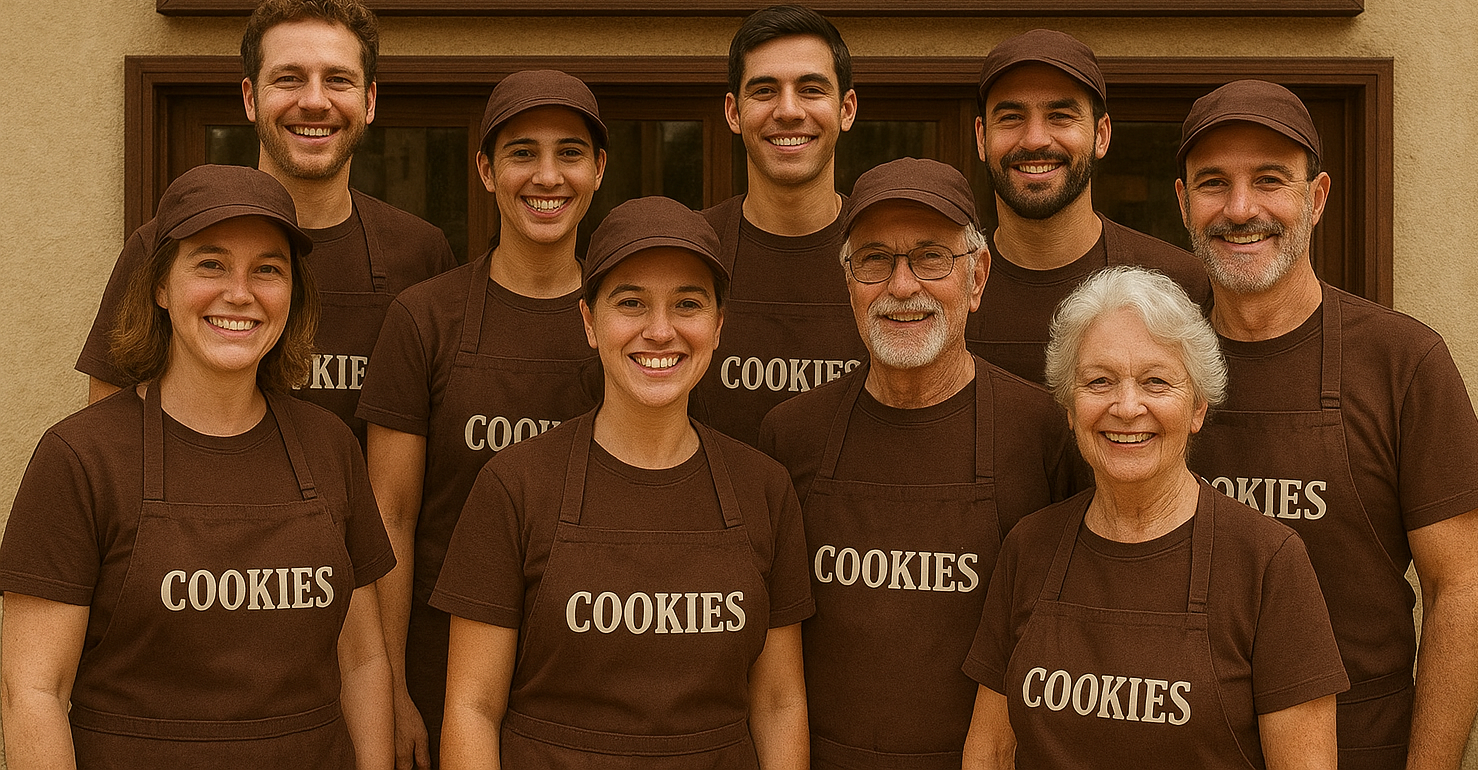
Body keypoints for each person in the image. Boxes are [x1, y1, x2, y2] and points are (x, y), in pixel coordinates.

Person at [0, 164, 395, 768]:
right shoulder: (80, 459)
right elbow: (32, 693)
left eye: (268, 269)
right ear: (159, 285)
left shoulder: (330, 445)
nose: (240, 294)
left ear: (293, 293)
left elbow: (363, 659)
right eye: (210, 264)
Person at [1174, 80, 1478, 770]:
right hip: (1187, 743)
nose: (1240, 209)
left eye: (1269, 181)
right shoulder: (1153, 356)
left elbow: (1464, 588)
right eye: (1214, 184)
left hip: (1359, 744)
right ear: (1183, 203)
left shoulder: (1402, 360)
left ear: (1316, 198)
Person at [431, 196, 814, 768]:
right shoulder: (513, 487)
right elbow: (470, 708)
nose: (660, 331)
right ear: (588, 322)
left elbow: (780, 704)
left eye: (687, 304)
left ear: (718, 326)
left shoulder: (764, 487)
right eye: (630, 303)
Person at [760, 157, 1079, 769]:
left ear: (978, 276)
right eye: (875, 261)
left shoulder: (1044, 432)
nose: (902, 287)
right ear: (847, 281)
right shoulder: (792, 435)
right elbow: (775, 676)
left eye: (932, 258)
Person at [962, 265, 1349, 770]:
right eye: (1099, 381)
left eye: (1156, 382)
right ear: (1069, 405)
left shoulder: (1267, 562)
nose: (1126, 407)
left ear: (1198, 408)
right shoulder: (1029, 548)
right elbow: (989, 752)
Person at [76, 0, 457, 444]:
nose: (314, 101)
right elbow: (104, 436)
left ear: (370, 101)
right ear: (251, 99)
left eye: (338, 79)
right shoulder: (168, 243)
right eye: (288, 78)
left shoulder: (420, 253)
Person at [354, 70, 606, 768]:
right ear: (487, 170)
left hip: (589, 664)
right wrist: (395, 688)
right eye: (522, 152)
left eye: (570, 152)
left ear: (598, 170)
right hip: (442, 660)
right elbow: (391, 514)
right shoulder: (426, 318)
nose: (547, 175)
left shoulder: (631, 326)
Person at [968, 29, 1209, 384]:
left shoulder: (1180, 284)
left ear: (1101, 135)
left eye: (1061, 116)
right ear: (981, 137)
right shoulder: (948, 289)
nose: (1035, 138)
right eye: (1011, 117)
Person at [693, 5, 866, 446]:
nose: (788, 111)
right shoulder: (691, 249)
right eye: (765, 91)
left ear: (846, 109)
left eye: (811, 89)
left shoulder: (885, 253)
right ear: (733, 112)